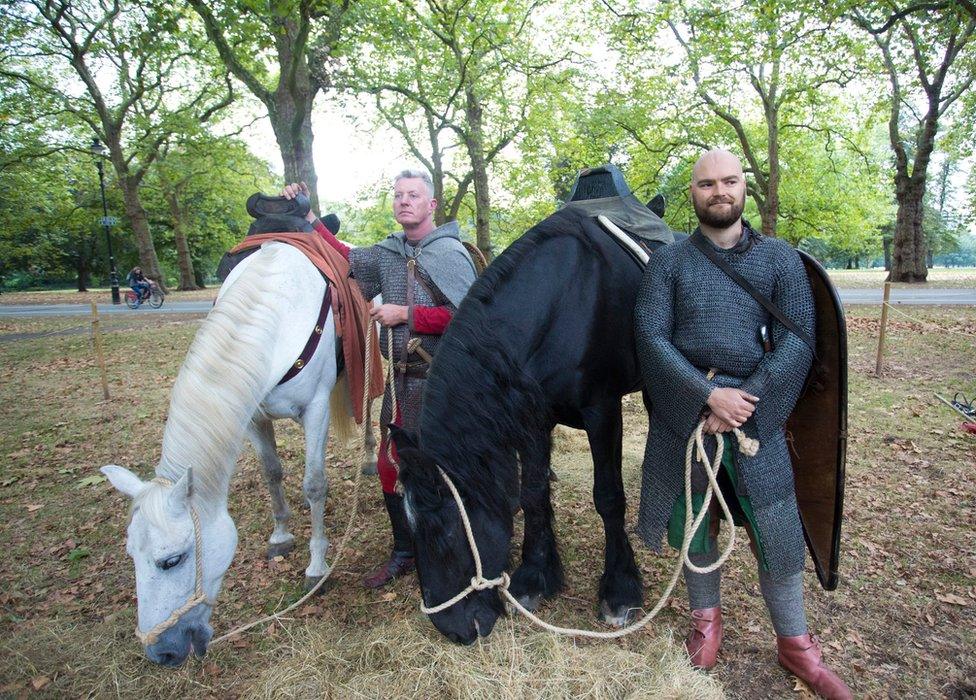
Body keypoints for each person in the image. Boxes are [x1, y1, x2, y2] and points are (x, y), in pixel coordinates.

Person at [633, 149, 851, 699]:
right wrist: (706, 396)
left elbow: (798, 341)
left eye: (729, 181)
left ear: (744, 187)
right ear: (693, 193)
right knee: (695, 526)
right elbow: (652, 341)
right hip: (688, 420)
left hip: (755, 420)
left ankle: (795, 643)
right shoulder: (668, 263)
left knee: (776, 531)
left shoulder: (780, 260)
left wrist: (741, 403)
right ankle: (706, 621)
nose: (719, 192)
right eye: (707, 184)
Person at [282, 170, 477, 588]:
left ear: (431, 205)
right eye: (398, 195)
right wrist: (309, 216)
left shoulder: (451, 252)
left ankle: (454, 550)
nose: (404, 201)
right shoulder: (387, 253)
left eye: (413, 195)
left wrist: (407, 315)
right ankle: (404, 550)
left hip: (445, 383)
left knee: (447, 466)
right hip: (401, 383)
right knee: (391, 465)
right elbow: (341, 255)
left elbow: (471, 317)